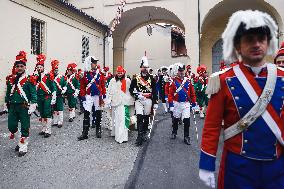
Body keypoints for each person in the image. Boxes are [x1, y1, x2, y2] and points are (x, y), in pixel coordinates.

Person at [199, 10, 284, 189]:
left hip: (277, 168)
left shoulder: (282, 77)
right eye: (249, 39)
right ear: (238, 46)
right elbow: (212, 126)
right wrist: (206, 165)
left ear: (268, 43)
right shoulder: (222, 80)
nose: (256, 44)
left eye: (261, 39)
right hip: (238, 169)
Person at [5, 51, 37, 156]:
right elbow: (8, 93)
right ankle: (20, 141)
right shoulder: (11, 79)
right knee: (12, 126)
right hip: (13, 106)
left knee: (24, 126)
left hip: (24, 106)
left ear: (25, 67)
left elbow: (33, 93)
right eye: (17, 66)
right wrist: (6, 104)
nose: (19, 68)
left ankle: (23, 146)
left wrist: (33, 105)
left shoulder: (29, 79)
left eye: (21, 66)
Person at [129, 56, 158, 146]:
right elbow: (131, 89)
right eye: (143, 67)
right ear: (141, 68)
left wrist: (155, 102)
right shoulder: (136, 78)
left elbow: (154, 91)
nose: (145, 69)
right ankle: (139, 136)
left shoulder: (152, 78)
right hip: (139, 100)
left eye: (146, 67)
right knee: (139, 117)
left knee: (146, 117)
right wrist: (137, 95)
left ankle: (144, 132)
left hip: (148, 100)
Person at [77, 56, 106, 140]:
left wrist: (104, 95)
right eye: (94, 62)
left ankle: (98, 130)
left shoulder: (99, 74)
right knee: (86, 113)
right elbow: (82, 86)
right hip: (88, 96)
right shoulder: (84, 74)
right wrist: (83, 96)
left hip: (98, 96)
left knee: (98, 113)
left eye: (96, 62)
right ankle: (85, 133)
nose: (96, 64)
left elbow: (103, 85)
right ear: (90, 63)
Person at [168, 63, 197, 145]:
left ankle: (186, 137)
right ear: (177, 72)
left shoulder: (188, 81)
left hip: (186, 104)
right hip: (176, 103)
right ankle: (174, 132)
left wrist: (194, 104)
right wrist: (171, 105)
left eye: (182, 70)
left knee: (186, 120)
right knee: (176, 119)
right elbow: (170, 94)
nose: (181, 72)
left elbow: (192, 93)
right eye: (180, 71)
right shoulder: (173, 82)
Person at [106, 66, 134, 143]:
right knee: (116, 119)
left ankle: (122, 137)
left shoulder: (127, 80)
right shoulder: (112, 80)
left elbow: (131, 91)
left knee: (123, 119)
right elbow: (109, 90)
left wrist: (133, 98)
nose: (119, 74)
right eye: (118, 73)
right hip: (115, 102)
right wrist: (109, 99)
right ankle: (116, 134)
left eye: (121, 73)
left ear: (123, 72)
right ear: (116, 72)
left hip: (124, 102)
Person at [33, 54, 56, 138]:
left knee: (47, 112)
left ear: (43, 67)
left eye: (40, 67)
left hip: (47, 97)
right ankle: (43, 128)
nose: (39, 69)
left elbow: (53, 87)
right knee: (42, 113)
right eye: (38, 67)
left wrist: (53, 98)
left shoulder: (48, 75)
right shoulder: (35, 76)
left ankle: (48, 130)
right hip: (39, 97)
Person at [51, 60, 67, 128]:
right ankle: (55, 121)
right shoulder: (50, 77)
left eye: (57, 70)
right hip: (53, 96)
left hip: (60, 95)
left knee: (60, 109)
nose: (56, 71)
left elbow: (65, 84)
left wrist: (64, 89)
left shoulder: (61, 77)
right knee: (54, 109)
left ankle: (60, 122)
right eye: (55, 70)